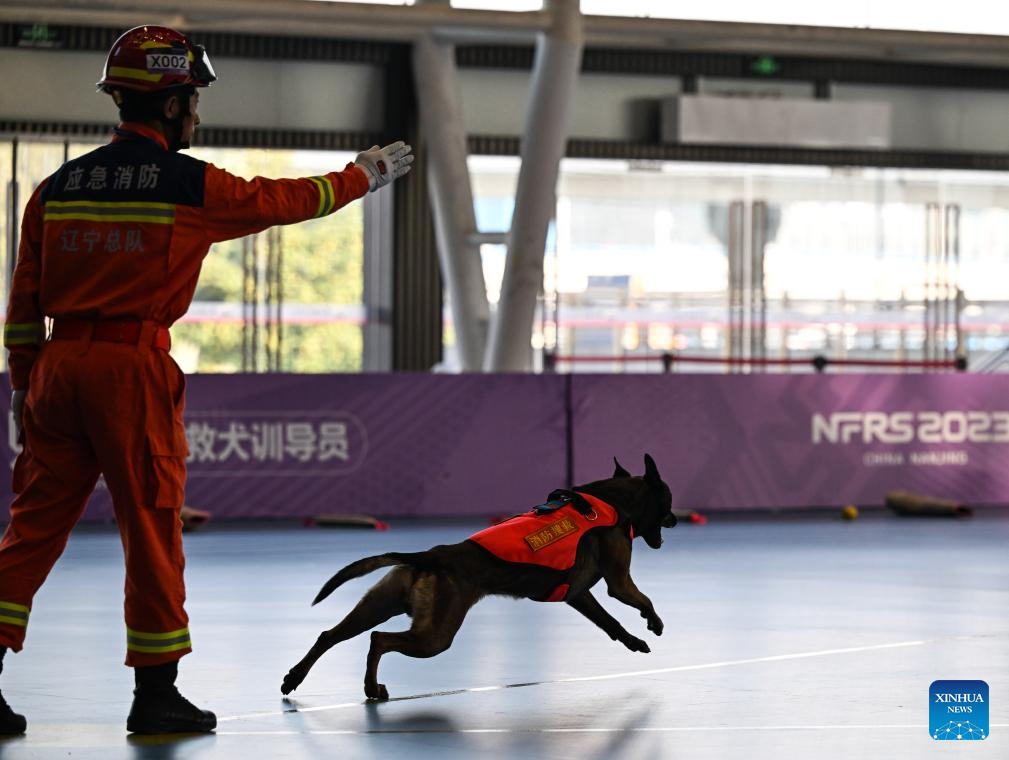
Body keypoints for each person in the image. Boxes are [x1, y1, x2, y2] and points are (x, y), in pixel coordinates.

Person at [0, 24, 412, 735]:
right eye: (193, 100)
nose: (197, 114)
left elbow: (22, 304)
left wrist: (22, 388)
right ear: (169, 105)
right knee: (152, 527)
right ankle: (155, 696)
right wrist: (362, 175)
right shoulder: (189, 186)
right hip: (130, 373)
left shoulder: (55, 189)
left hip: (57, 374)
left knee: (29, 533)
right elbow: (287, 200)